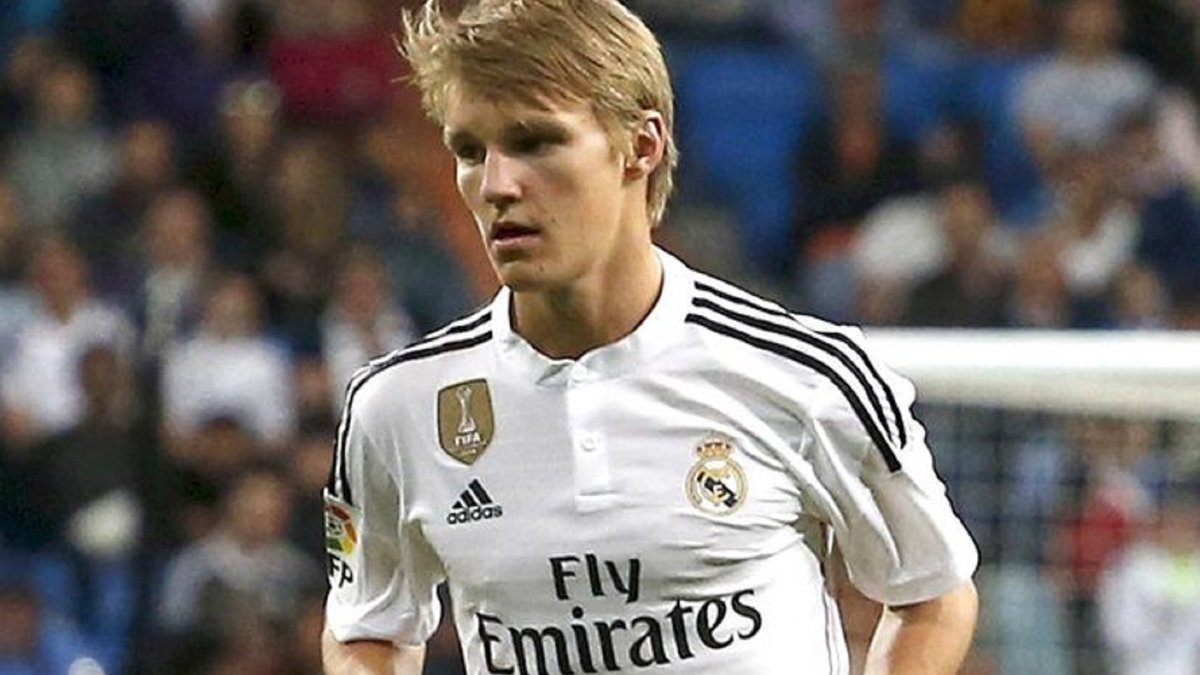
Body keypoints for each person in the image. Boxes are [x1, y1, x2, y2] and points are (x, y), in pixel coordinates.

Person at [322, 1, 979, 674]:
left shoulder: (807, 376)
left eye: (535, 142)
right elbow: (366, 626)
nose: (496, 185)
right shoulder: (397, 406)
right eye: (469, 151)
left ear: (642, 145)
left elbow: (933, 592)